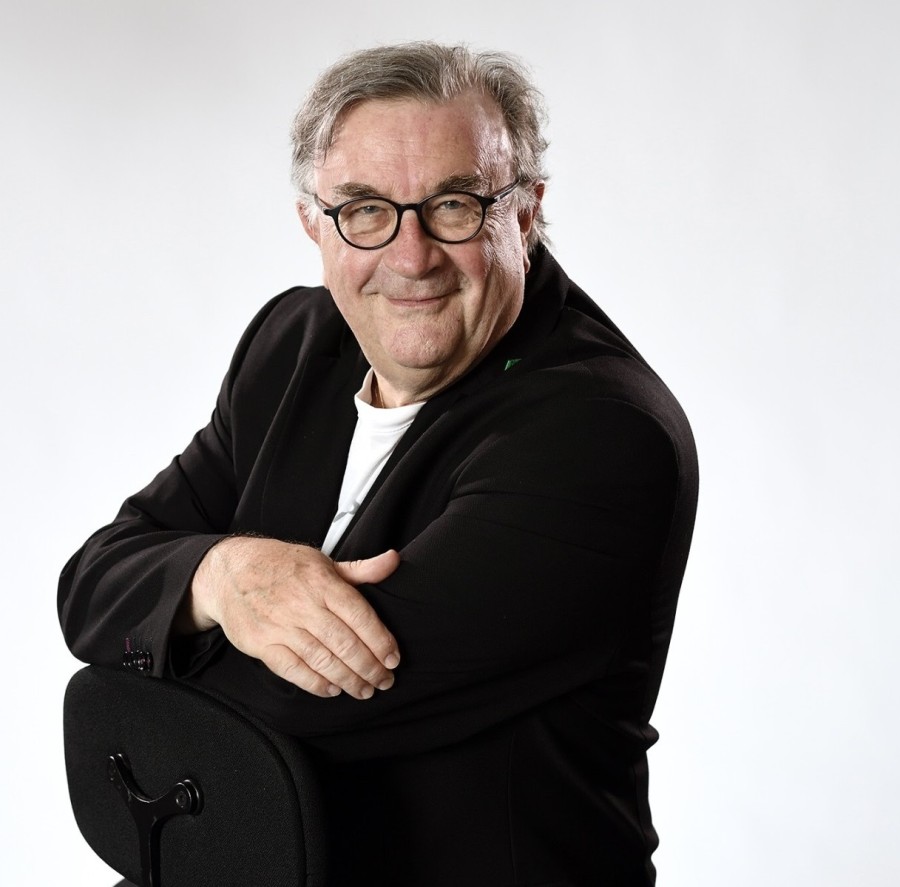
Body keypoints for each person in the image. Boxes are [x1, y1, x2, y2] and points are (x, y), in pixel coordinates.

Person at [59, 41, 698, 886]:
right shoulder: (292, 344)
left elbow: (295, 704)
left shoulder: (603, 433)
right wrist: (221, 577)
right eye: (365, 210)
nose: (411, 256)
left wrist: (162, 622)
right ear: (314, 224)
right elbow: (91, 581)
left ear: (526, 212)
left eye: (454, 205)